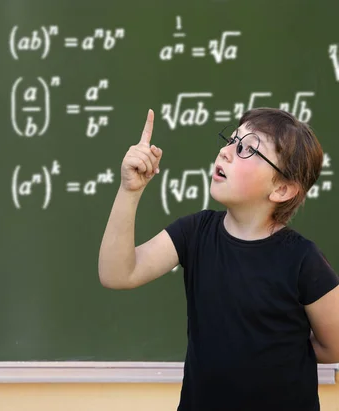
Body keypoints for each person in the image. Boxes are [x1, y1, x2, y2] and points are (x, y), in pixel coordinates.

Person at [98, 108, 339, 411]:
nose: (225, 152)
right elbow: (117, 274)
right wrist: (129, 191)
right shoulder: (195, 232)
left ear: (282, 189)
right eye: (231, 140)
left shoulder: (304, 260)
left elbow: (333, 346)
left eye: (246, 149)